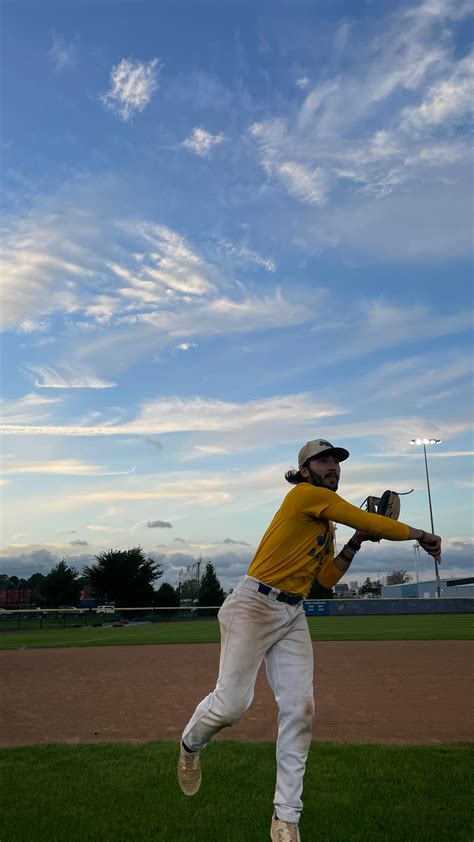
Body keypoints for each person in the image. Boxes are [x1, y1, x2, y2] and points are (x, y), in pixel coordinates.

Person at [177, 438, 441, 842]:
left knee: (300, 709)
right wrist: (420, 534)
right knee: (232, 705)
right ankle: (191, 745)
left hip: (292, 612)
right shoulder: (304, 496)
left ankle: (286, 820)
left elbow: (326, 579)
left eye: (336, 460)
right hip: (253, 603)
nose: (332, 465)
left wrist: (353, 543)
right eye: (323, 459)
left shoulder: (328, 522)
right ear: (304, 471)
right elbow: (370, 520)